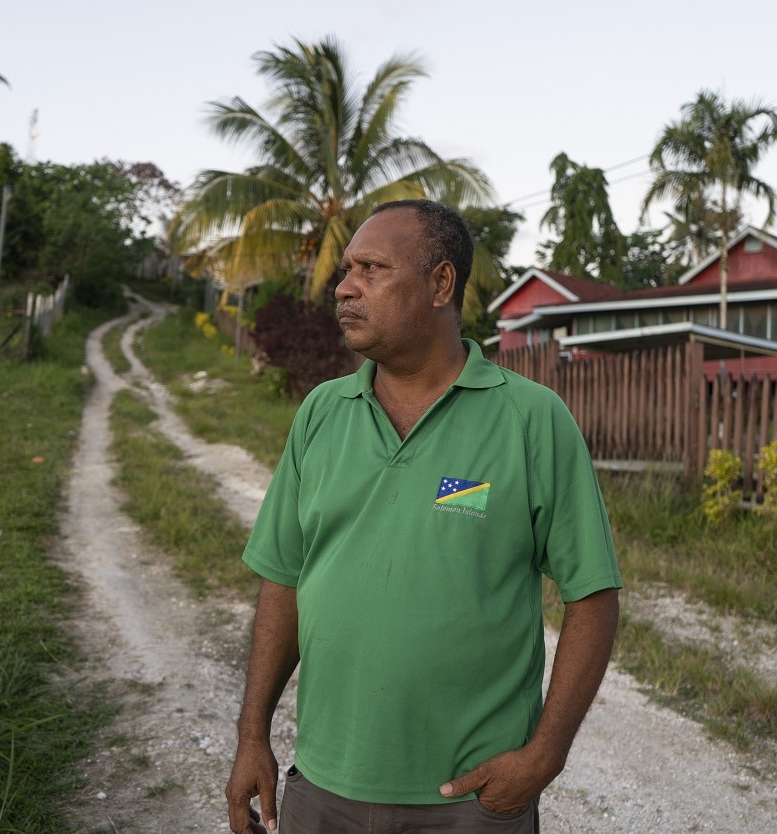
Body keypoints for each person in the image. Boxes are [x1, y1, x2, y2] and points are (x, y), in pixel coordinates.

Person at [226, 199, 622, 834]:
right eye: (346, 270)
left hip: (470, 800)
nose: (346, 287)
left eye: (374, 269)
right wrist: (252, 735)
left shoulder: (530, 418)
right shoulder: (322, 414)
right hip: (323, 789)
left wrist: (544, 757)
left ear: (442, 283)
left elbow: (594, 595)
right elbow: (283, 581)